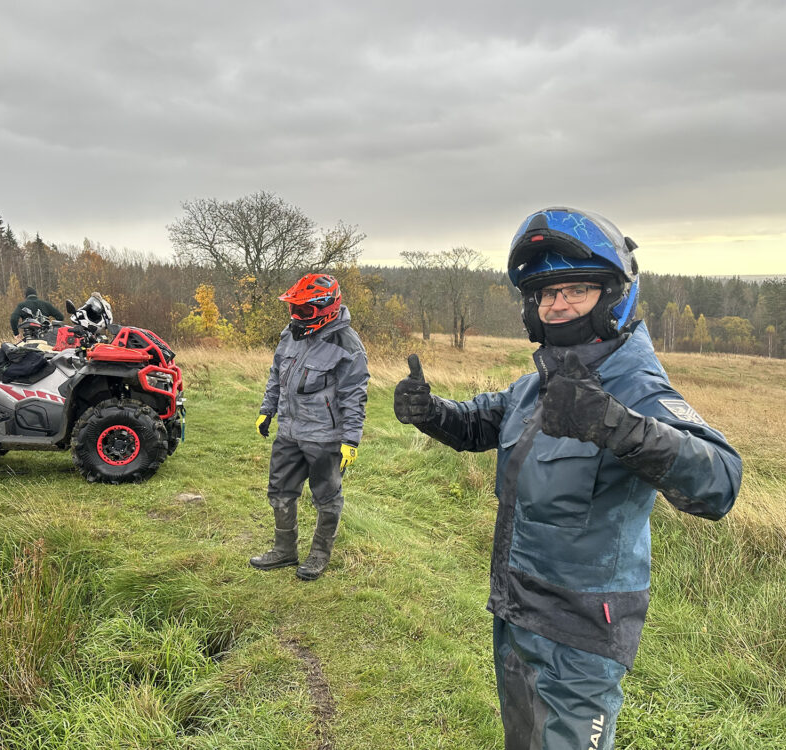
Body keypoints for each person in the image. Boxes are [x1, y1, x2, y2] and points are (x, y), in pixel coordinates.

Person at [393, 207, 741, 749]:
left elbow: (720, 481)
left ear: (613, 294)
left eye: (576, 289)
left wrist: (617, 426)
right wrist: (430, 412)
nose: (558, 305)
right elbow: (482, 422)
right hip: (516, 608)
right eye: (545, 294)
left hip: (584, 630)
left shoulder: (633, 385)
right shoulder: (538, 384)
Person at [252, 273, 369, 581]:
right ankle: (284, 550)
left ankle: (319, 554)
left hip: (325, 438)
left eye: (303, 311)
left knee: (327, 497)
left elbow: (355, 394)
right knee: (280, 491)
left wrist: (351, 440)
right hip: (289, 432)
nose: (296, 316)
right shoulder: (290, 334)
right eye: (294, 309)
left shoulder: (347, 345)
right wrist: (267, 411)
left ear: (326, 308)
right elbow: (276, 375)